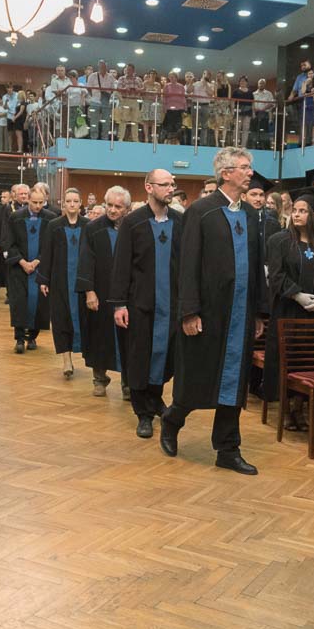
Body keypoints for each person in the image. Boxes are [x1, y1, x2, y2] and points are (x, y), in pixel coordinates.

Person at [160, 147, 268, 474]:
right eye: (244, 167)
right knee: (197, 378)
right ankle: (172, 420)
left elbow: (257, 265)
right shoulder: (201, 212)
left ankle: (227, 448)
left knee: (234, 384)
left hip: (241, 314)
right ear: (226, 173)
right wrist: (189, 311)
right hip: (208, 313)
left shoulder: (250, 214)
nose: (250, 173)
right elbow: (187, 264)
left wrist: (259, 312)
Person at [109, 169, 182, 439]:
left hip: (170, 303)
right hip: (140, 303)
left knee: (164, 356)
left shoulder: (180, 221)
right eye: (165, 184)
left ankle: (155, 398)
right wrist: (119, 304)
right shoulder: (133, 222)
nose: (171, 189)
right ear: (149, 187)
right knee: (140, 356)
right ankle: (143, 413)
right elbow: (121, 265)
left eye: (172, 184)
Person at [262, 186, 314, 429]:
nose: (296, 214)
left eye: (303, 211)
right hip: (287, 311)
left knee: (308, 360)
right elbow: (276, 275)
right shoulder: (279, 240)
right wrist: (297, 295)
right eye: (295, 210)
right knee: (286, 359)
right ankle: (287, 410)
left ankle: (300, 408)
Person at [77, 186, 132, 400]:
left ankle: (128, 383)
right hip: (100, 291)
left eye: (118, 206)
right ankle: (99, 379)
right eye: (109, 205)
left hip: (127, 294)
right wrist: (89, 291)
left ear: (127, 208)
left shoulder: (133, 226)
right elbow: (85, 260)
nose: (112, 210)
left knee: (128, 339)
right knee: (98, 336)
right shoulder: (93, 228)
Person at [38, 188, 89, 377]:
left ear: (80, 203)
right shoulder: (54, 225)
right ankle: (67, 360)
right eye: (69, 201)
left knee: (86, 320)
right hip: (59, 280)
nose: (72, 204)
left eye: (75, 201)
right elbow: (47, 252)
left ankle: (90, 358)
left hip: (82, 282)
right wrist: (44, 279)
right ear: (64, 204)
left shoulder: (88, 225)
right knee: (60, 319)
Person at [2, 184, 56, 352]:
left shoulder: (51, 219)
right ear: (28, 200)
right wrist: (22, 262)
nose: (38, 206)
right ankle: (19, 338)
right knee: (19, 303)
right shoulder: (15, 217)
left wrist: (38, 261)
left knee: (38, 304)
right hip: (19, 269)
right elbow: (8, 242)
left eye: (41, 202)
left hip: (40, 269)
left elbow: (51, 245)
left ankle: (32, 337)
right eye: (34, 202)